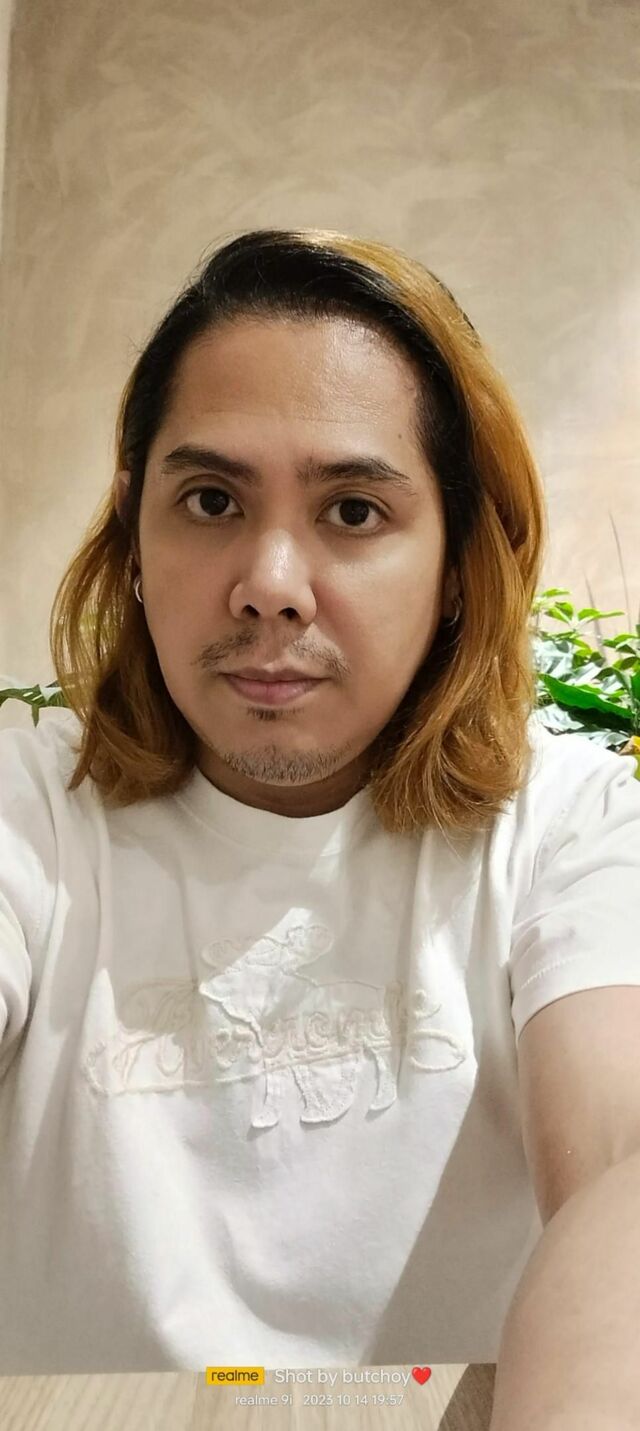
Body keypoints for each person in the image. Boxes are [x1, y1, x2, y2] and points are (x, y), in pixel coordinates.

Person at [0, 228, 639, 1376]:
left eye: (352, 513)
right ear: (135, 532)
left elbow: (621, 1164)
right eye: (210, 501)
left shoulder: (569, 829)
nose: (269, 587)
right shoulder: (30, 809)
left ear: (457, 564)